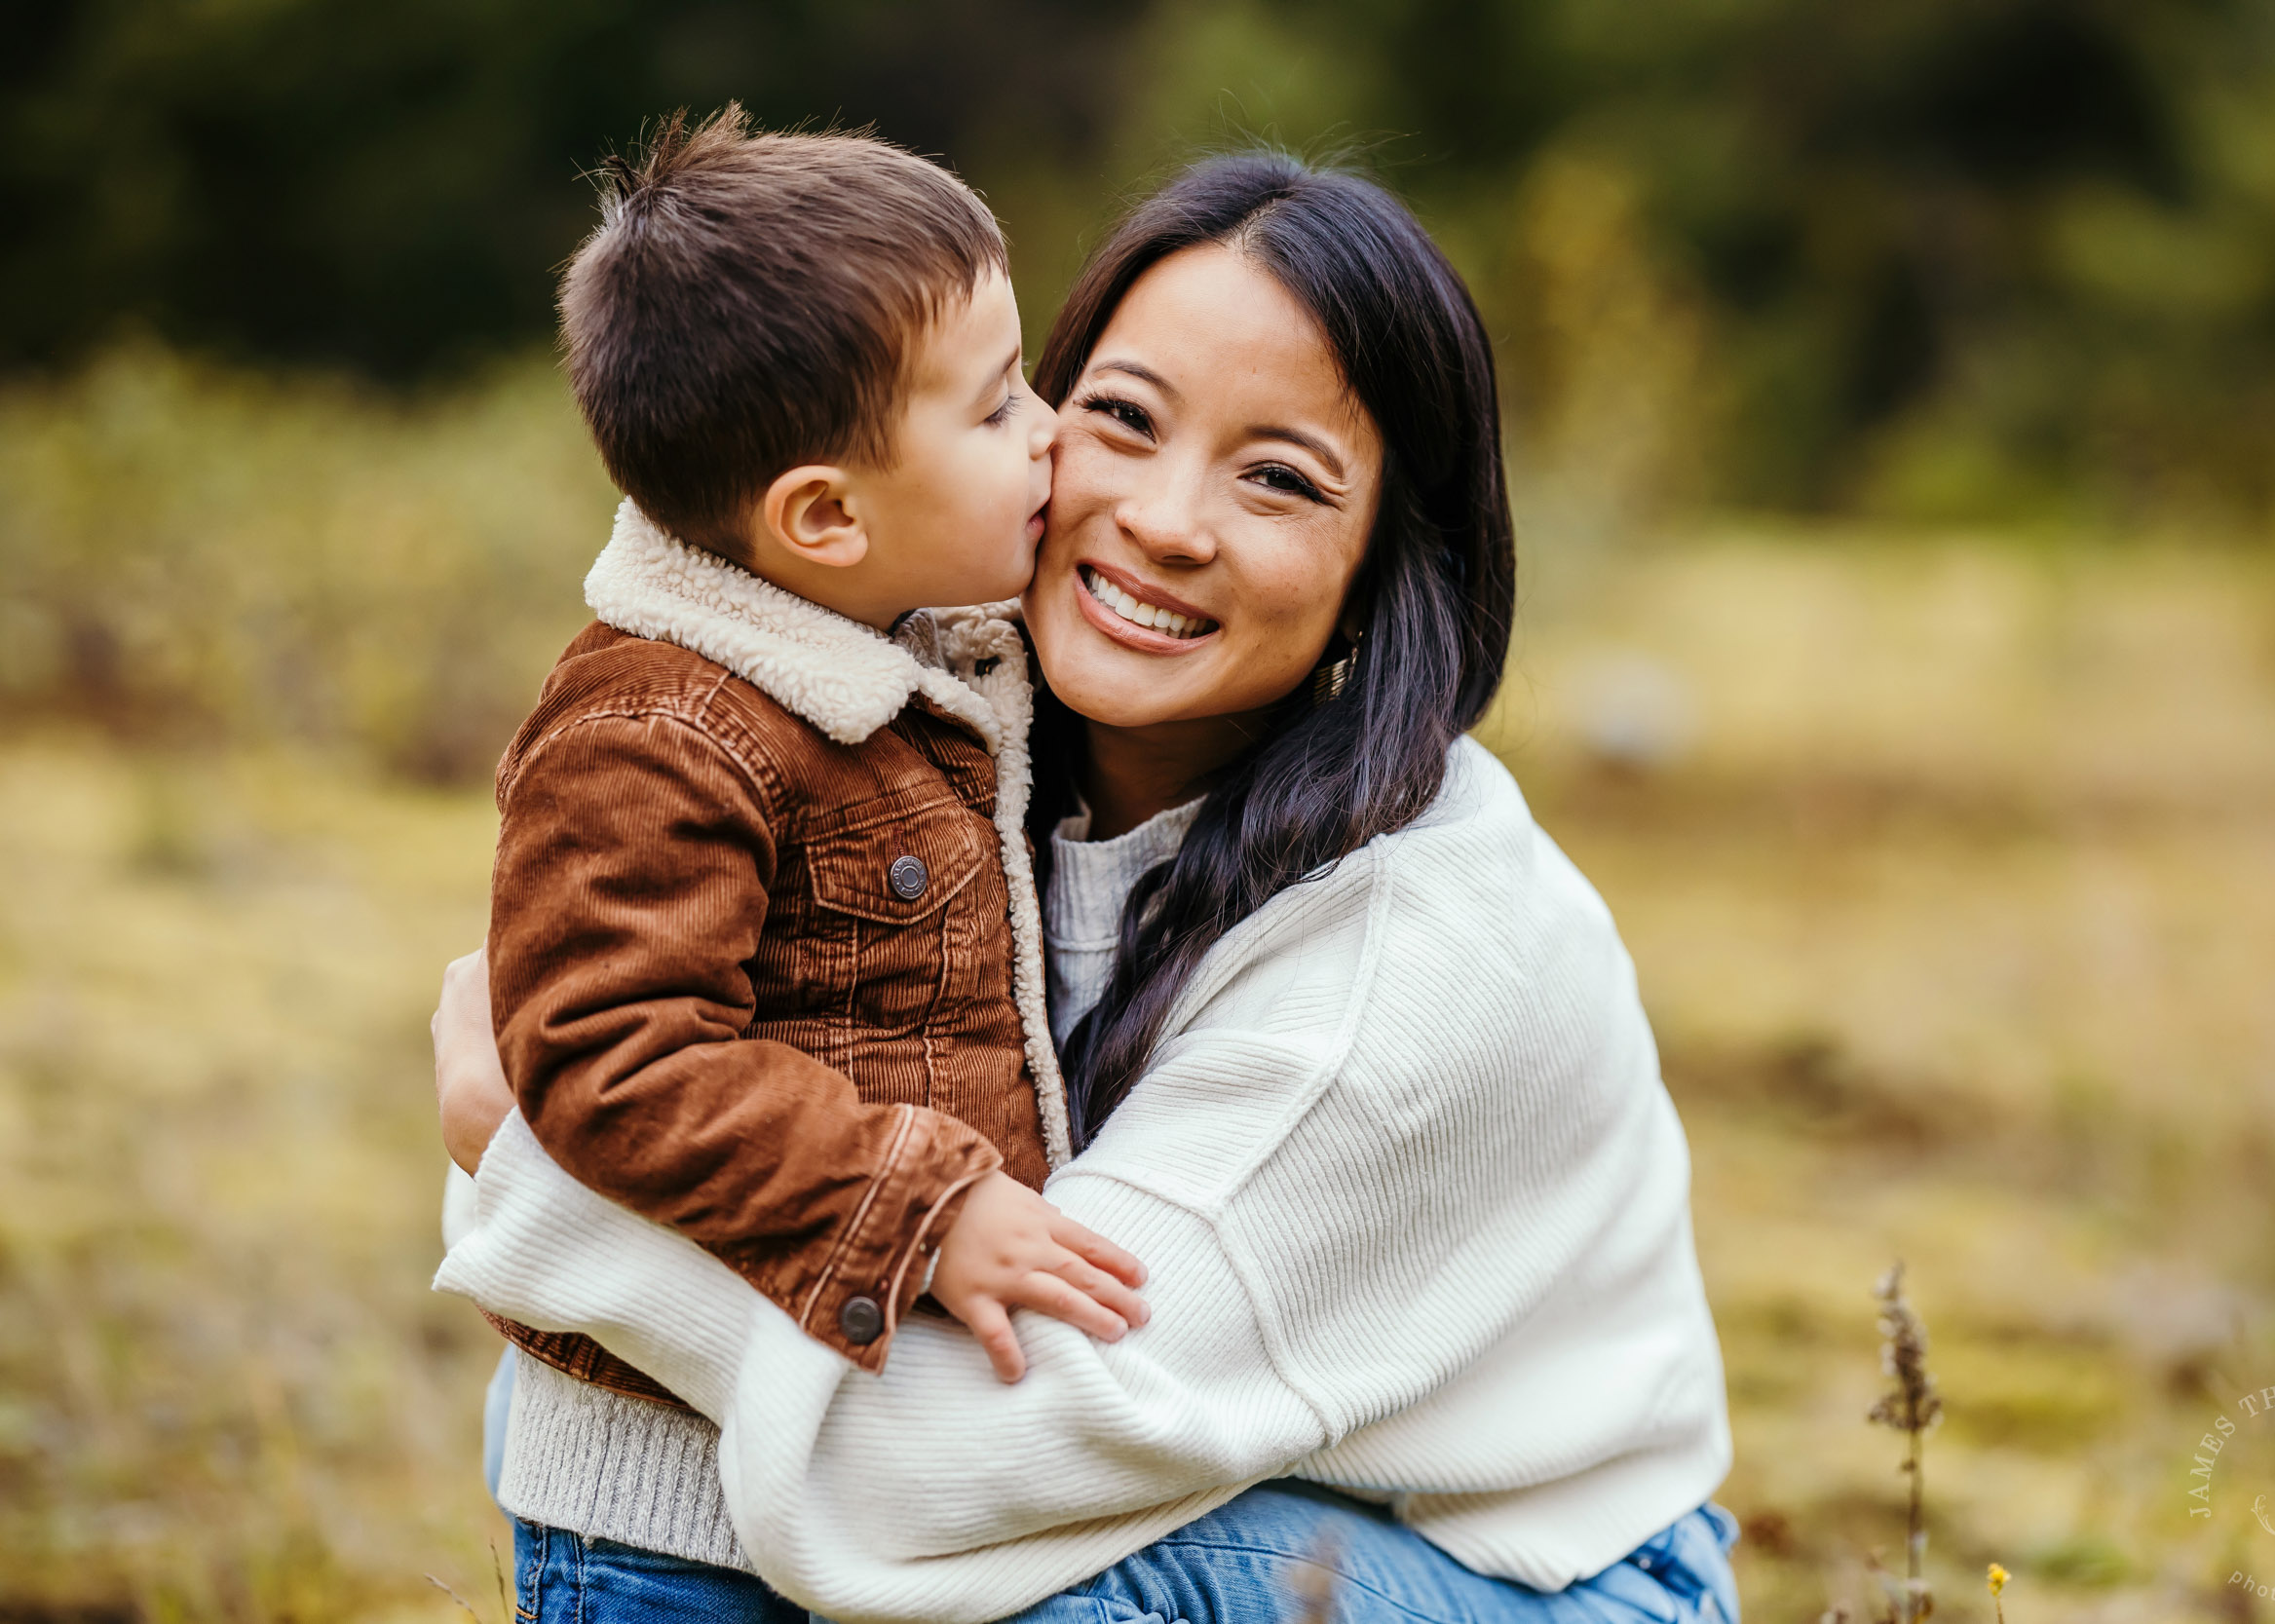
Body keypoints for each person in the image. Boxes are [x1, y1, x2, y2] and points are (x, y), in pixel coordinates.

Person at [436, 151, 1738, 1624]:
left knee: (1009, 1585)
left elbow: (955, 1467)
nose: (1166, 519)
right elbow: (651, 1050)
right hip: (1157, 1473)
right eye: (1117, 417)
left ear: (1388, 564)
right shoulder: (911, 728)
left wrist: (537, 1186)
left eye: (1278, 479)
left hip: (1512, 1572)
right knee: (612, 1446)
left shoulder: (1414, 957)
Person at [453, 103, 1158, 1615]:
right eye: (992, 412)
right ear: (824, 517)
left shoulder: (911, 648)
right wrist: (922, 1197)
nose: (1053, 429)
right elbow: (608, 1052)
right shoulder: (653, 726)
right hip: (666, 1511)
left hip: (859, 1462)